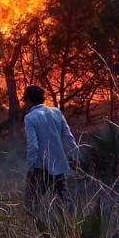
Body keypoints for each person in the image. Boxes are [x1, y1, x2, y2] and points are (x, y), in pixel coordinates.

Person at [23, 84, 79, 213]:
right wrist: (77, 156)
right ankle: (74, 222)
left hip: (40, 167)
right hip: (58, 165)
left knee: (31, 203)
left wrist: (30, 167)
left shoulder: (30, 118)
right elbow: (68, 137)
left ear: (29, 100)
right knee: (65, 201)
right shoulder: (56, 112)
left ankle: (35, 224)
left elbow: (33, 146)